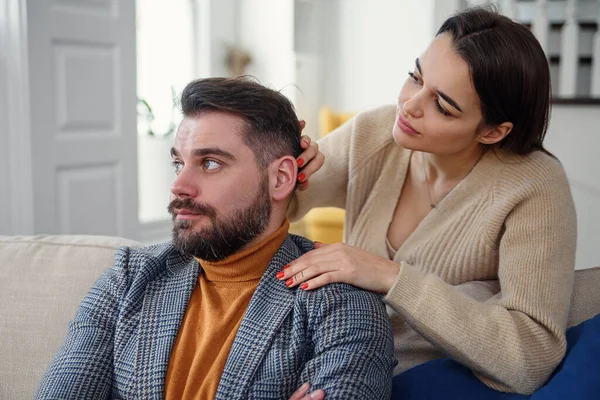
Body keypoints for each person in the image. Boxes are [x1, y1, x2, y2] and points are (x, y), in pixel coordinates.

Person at [36, 77, 396, 400]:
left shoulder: (342, 304)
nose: (179, 185)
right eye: (179, 163)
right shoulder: (130, 278)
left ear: (281, 178)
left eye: (210, 163)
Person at [280, 6, 577, 396]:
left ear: (492, 132)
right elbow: (270, 207)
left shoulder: (533, 187)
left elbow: (530, 354)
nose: (409, 105)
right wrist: (283, 165)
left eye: (442, 105)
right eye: (414, 77)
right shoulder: (375, 133)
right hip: (339, 364)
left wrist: (390, 276)